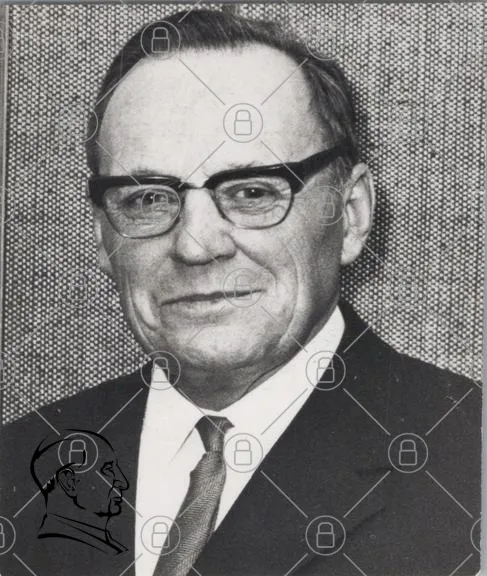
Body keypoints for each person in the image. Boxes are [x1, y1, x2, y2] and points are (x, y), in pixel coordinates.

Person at [0, 8, 480, 576]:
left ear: (350, 215)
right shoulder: (18, 467)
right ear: (104, 236)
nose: (196, 245)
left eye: (252, 191)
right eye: (148, 198)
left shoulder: (465, 461)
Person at [30, 430, 128, 554]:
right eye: (108, 469)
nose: (123, 483)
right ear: (69, 483)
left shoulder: (107, 546)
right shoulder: (65, 549)